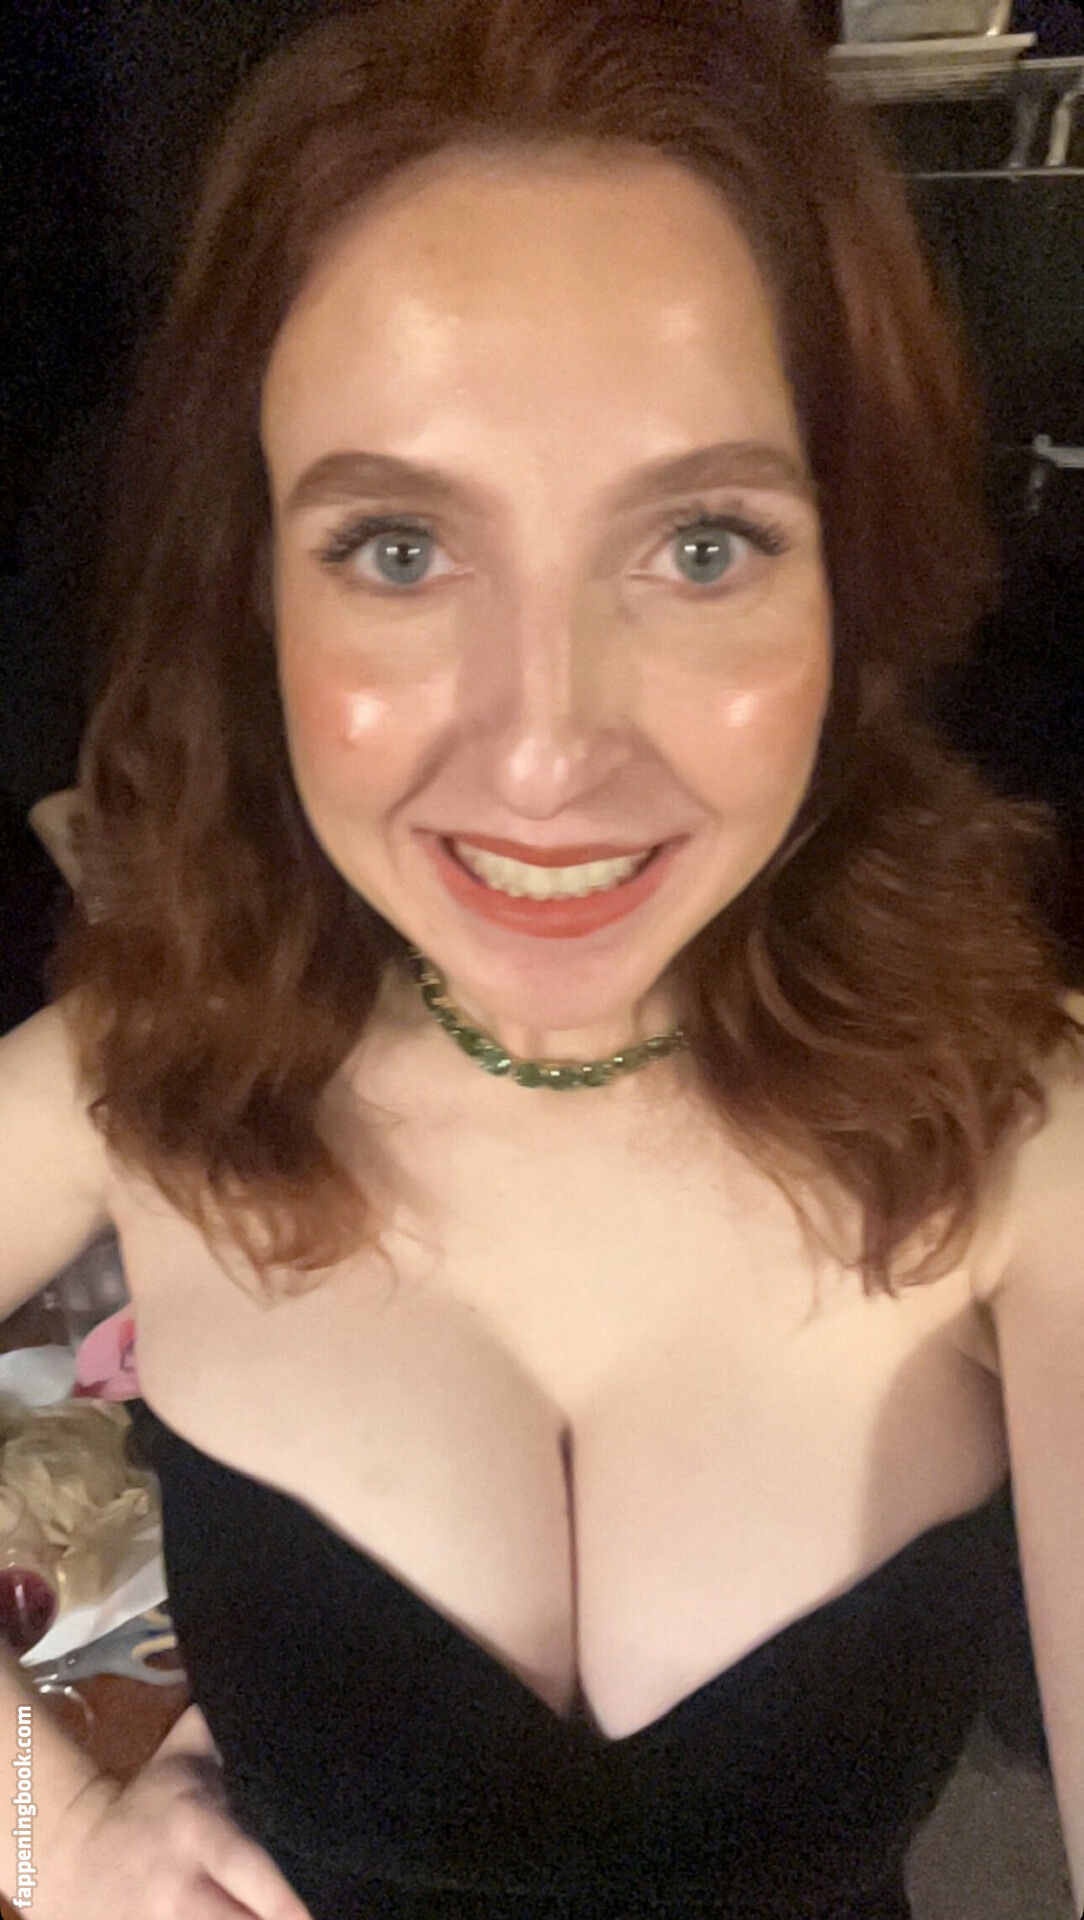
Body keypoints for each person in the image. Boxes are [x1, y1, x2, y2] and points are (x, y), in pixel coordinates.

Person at [2, 1, 1083, 1915]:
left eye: (702, 546)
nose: (546, 752)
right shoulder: (136, 1078)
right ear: (252, 590)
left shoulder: (1029, 1130)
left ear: (854, 575)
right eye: (399, 549)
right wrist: (48, 1834)